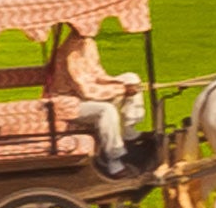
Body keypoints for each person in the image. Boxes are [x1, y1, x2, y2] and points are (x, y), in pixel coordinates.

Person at [46, 22, 149, 176]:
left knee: (131, 78)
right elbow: (85, 89)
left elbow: (98, 75)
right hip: (68, 104)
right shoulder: (71, 53)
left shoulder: (88, 43)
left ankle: (129, 132)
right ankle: (114, 161)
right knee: (105, 111)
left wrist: (123, 85)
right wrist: (120, 89)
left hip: (84, 95)